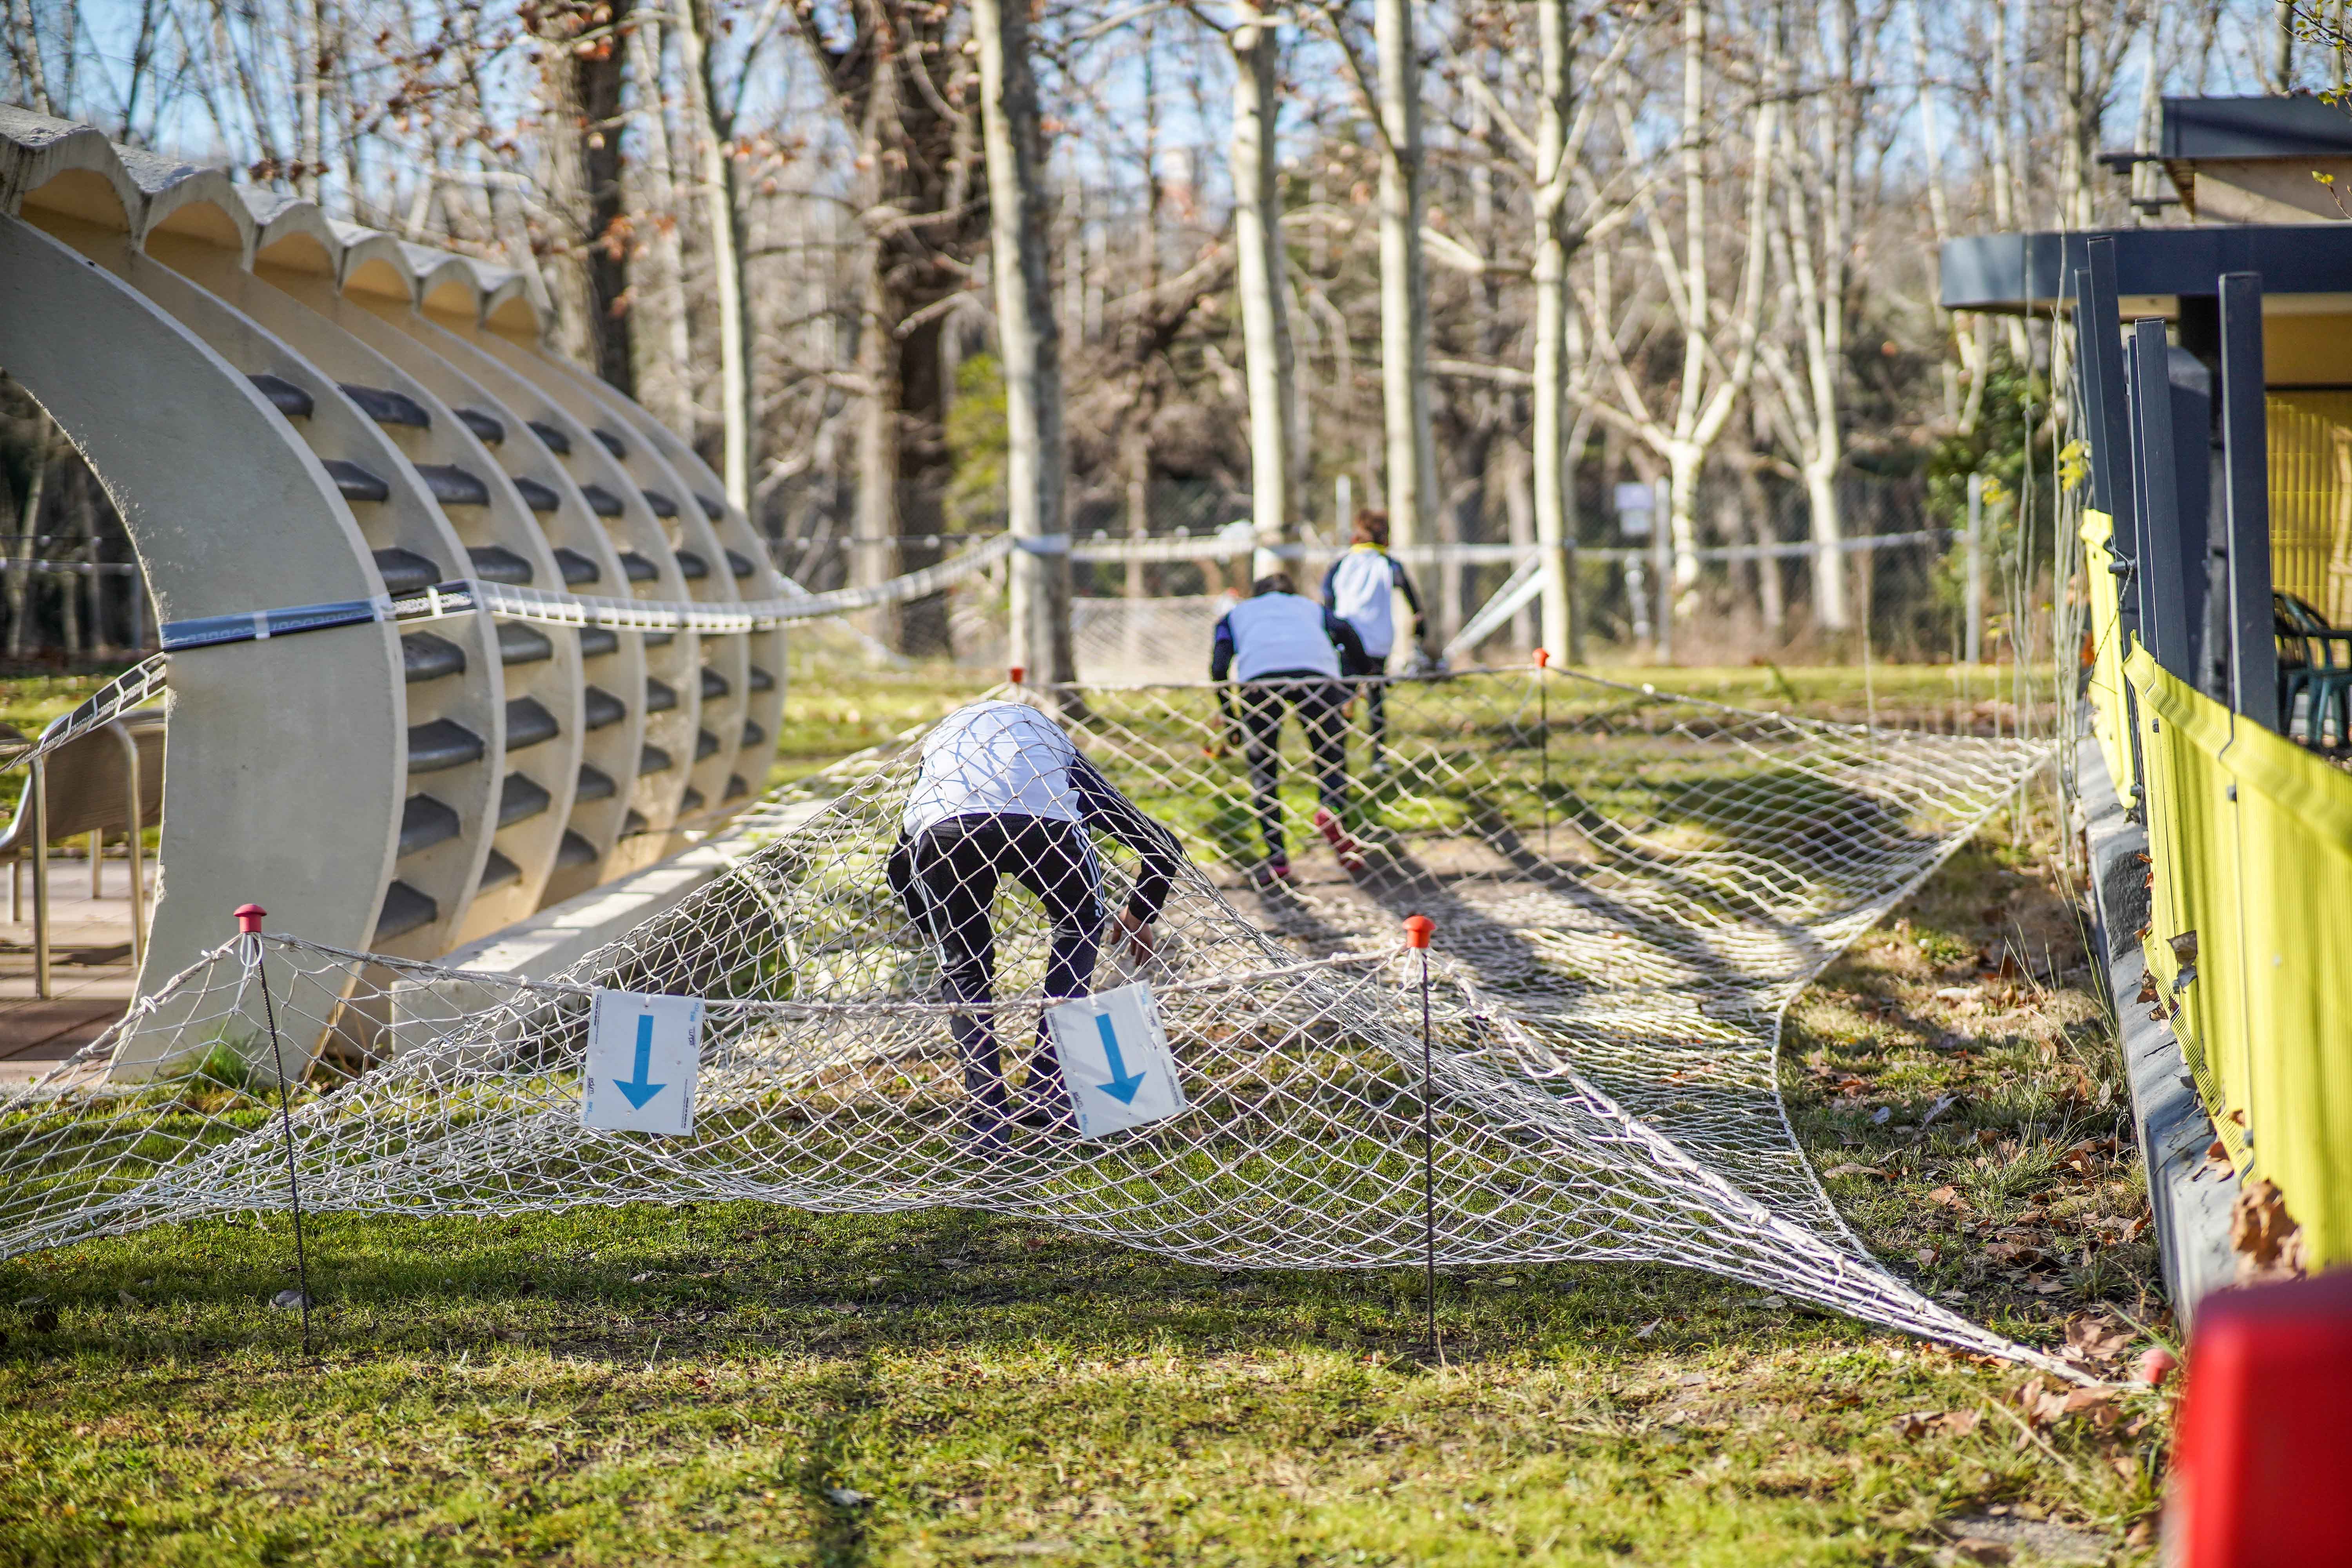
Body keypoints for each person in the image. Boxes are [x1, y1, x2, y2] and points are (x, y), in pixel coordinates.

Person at [886, 698, 1185, 1150]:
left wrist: (932, 924)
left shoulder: (942, 767)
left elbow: (899, 864)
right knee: (1081, 924)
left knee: (965, 967)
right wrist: (1140, 912)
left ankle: (987, 1118)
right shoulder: (1048, 751)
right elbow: (1160, 843)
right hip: (1046, 828)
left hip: (946, 833)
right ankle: (1049, 1090)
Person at [1209, 573, 1368, 883]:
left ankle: (1277, 857)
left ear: (1255, 596)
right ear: (1292, 593)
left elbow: (1219, 667)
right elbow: (1349, 634)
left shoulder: (1234, 615)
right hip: (1317, 677)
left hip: (1260, 681)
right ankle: (1332, 808)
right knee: (1330, 753)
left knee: (1264, 769)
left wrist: (1231, 716)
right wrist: (1356, 679)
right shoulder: (1311, 608)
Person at [1319, 508, 1430, 771]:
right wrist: (1420, 627)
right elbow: (1413, 600)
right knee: (1375, 697)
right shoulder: (1389, 565)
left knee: (1343, 697)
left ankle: (1337, 755)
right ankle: (1378, 756)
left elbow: (1327, 597)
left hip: (1346, 641)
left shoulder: (1341, 563)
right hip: (1377, 643)